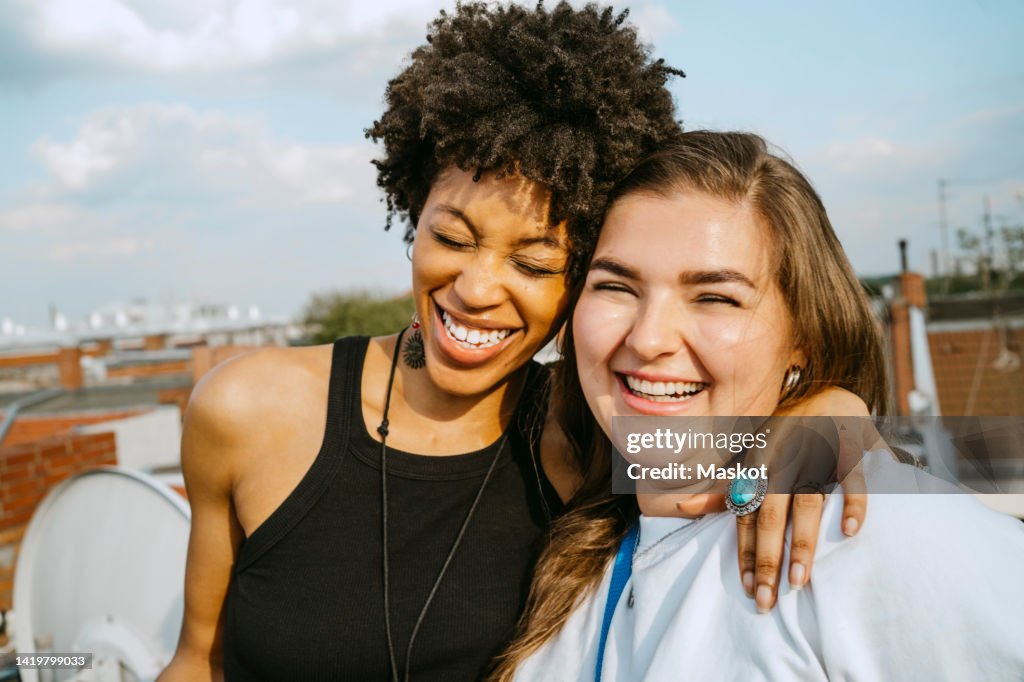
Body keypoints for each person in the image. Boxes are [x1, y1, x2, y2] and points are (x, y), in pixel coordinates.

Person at [159, 5, 874, 681]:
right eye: (449, 238)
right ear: (414, 215)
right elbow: (198, 660)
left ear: (587, 281)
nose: (476, 288)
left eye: (533, 264)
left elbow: (751, 430)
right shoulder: (246, 409)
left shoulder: (587, 440)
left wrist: (827, 413)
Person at [494, 131, 1024, 681]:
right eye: (617, 286)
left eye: (716, 297)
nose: (649, 339)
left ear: (803, 339)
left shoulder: (863, 530)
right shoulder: (573, 550)